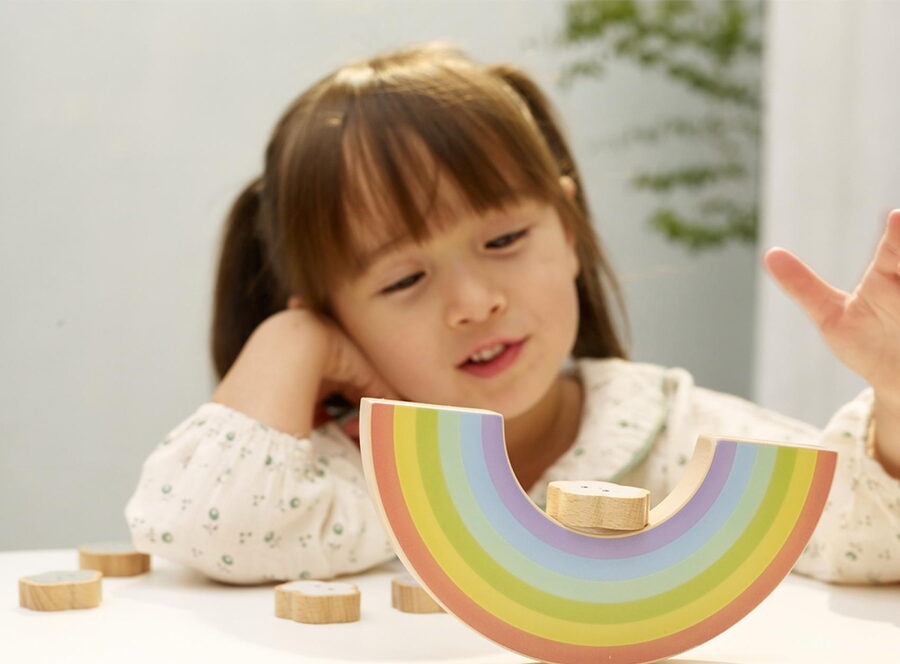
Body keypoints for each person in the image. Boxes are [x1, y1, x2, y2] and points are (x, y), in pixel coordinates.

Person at [125, 42, 900, 586]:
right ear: (337, 322)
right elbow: (202, 527)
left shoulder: (670, 433)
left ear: (569, 229)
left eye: (503, 240)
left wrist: (896, 402)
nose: (475, 302)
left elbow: (863, 537)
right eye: (404, 279)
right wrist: (289, 337)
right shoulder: (343, 476)